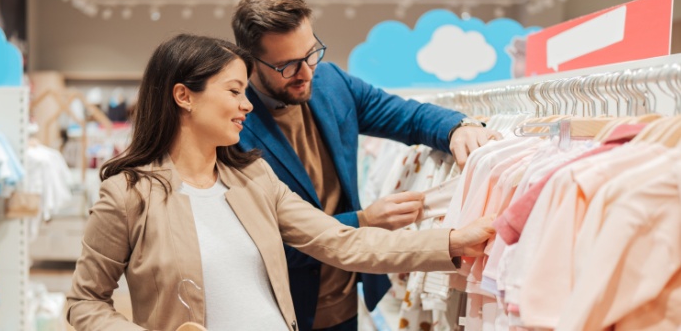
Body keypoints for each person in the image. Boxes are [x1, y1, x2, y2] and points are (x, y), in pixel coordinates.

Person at [66, 34, 495, 331]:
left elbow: (343, 243)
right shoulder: (128, 194)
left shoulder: (254, 178)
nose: (245, 106)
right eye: (234, 91)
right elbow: (84, 302)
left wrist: (452, 242)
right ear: (184, 96)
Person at [231, 0, 503, 331]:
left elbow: (408, 117)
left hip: (346, 302)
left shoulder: (332, 83)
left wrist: (457, 128)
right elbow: (260, 244)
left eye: (311, 52)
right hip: (281, 310)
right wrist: (363, 220)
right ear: (249, 61)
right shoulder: (234, 127)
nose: (306, 72)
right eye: (286, 65)